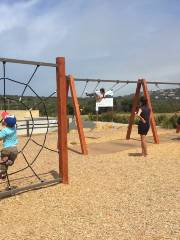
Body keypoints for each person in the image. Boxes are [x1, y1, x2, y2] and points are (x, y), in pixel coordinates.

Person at [0, 114, 18, 180]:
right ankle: (10, 162)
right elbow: (11, 122)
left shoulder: (4, 130)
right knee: (9, 160)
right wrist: (5, 121)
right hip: (15, 149)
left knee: (2, 160)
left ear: (6, 123)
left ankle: (2, 172)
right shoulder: (14, 128)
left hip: (6, 149)